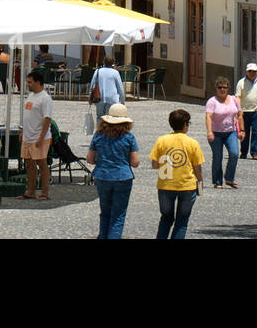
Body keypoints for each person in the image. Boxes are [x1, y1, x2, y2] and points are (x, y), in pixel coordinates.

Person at [86, 103, 140, 239]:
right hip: (122, 177)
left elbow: (90, 159)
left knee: (105, 212)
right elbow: (135, 162)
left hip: (103, 176)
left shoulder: (98, 136)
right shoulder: (129, 137)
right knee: (118, 215)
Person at [151, 109, 205, 239]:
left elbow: (154, 164)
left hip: (165, 184)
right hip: (187, 185)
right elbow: (197, 167)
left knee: (165, 218)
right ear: (185, 125)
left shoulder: (162, 140)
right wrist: (200, 182)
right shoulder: (192, 143)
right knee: (182, 221)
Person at [17, 71, 53, 200]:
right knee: (29, 164)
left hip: (39, 136)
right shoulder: (31, 95)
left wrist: (41, 137)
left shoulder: (45, 98)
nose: (28, 84)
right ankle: (30, 191)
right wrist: (23, 131)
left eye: (30, 82)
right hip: (28, 135)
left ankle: (44, 192)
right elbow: (28, 115)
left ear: (38, 82)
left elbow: (47, 119)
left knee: (41, 163)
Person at [204, 77, 244, 188]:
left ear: (228, 88)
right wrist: (209, 132)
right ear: (216, 88)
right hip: (216, 133)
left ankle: (229, 178)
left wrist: (242, 130)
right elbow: (208, 117)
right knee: (218, 157)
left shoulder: (233, 99)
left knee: (234, 153)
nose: (222, 89)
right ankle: (217, 181)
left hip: (231, 132)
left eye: (225, 87)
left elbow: (240, 115)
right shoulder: (212, 102)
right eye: (220, 87)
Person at [235, 63, 257, 159]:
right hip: (244, 111)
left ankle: (255, 152)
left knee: (256, 131)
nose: (252, 73)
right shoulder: (241, 82)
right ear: (246, 72)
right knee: (244, 132)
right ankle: (244, 152)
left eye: (254, 71)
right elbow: (238, 96)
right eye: (250, 71)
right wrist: (239, 109)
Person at [88, 55, 125, 120]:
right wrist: (122, 100)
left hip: (99, 97)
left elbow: (92, 85)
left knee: (99, 117)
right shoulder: (115, 72)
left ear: (104, 62)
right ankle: (108, 130)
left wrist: (90, 98)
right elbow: (120, 87)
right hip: (112, 98)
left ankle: (100, 129)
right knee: (110, 117)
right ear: (113, 63)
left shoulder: (98, 71)